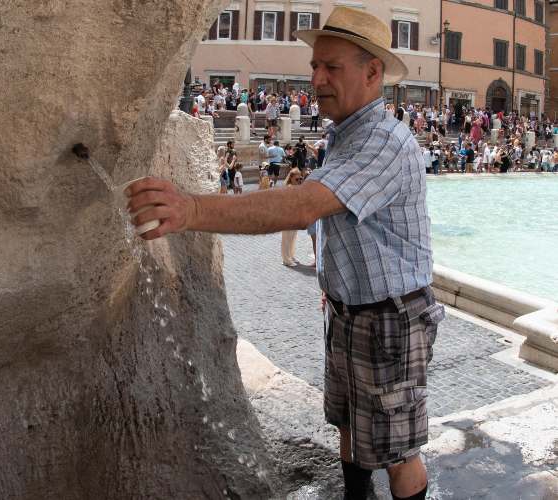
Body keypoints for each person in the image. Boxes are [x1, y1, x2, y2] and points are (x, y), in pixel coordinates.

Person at [126, 8, 442, 500]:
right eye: (315, 65)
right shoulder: (346, 133)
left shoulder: (384, 142)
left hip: (390, 320)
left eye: (331, 68)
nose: (315, 78)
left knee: (399, 452)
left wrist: (189, 210)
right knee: (347, 425)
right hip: (349, 310)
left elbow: (302, 207)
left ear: (373, 72)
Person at [281, 168, 305, 266]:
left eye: (300, 179)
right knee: (287, 238)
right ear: (291, 178)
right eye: (297, 179)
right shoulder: (289, 188)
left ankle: (290, 255)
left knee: (292, 237)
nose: (299, 181)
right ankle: (286, 259)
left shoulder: (296, 188)